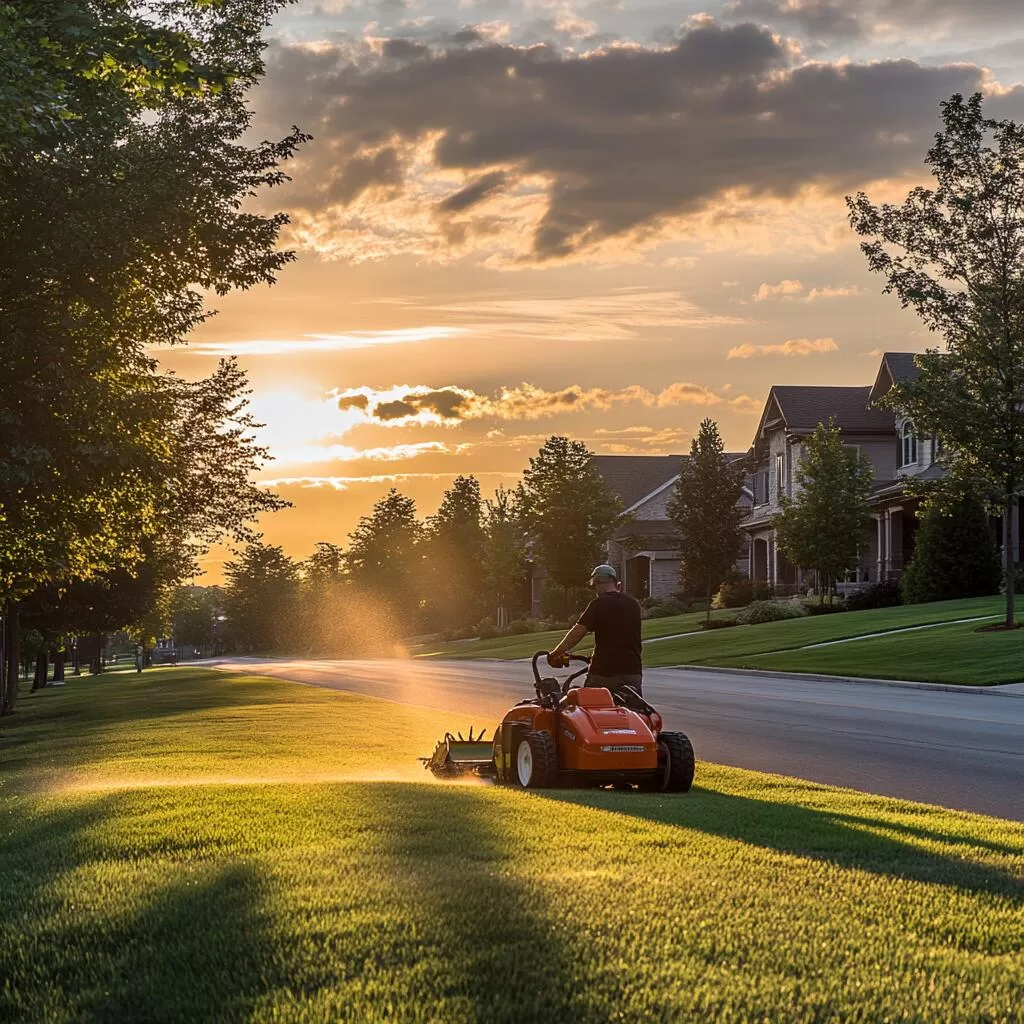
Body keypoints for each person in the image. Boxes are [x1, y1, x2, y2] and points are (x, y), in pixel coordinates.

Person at [547, 564, 644, 697]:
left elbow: (577, 633)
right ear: (616, 583)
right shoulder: (633, 604)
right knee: (632, 712)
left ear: (597, 582)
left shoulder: (599, 604)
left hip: (603, 673)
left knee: (590, 710)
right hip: (632, 673)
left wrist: (555, 653)